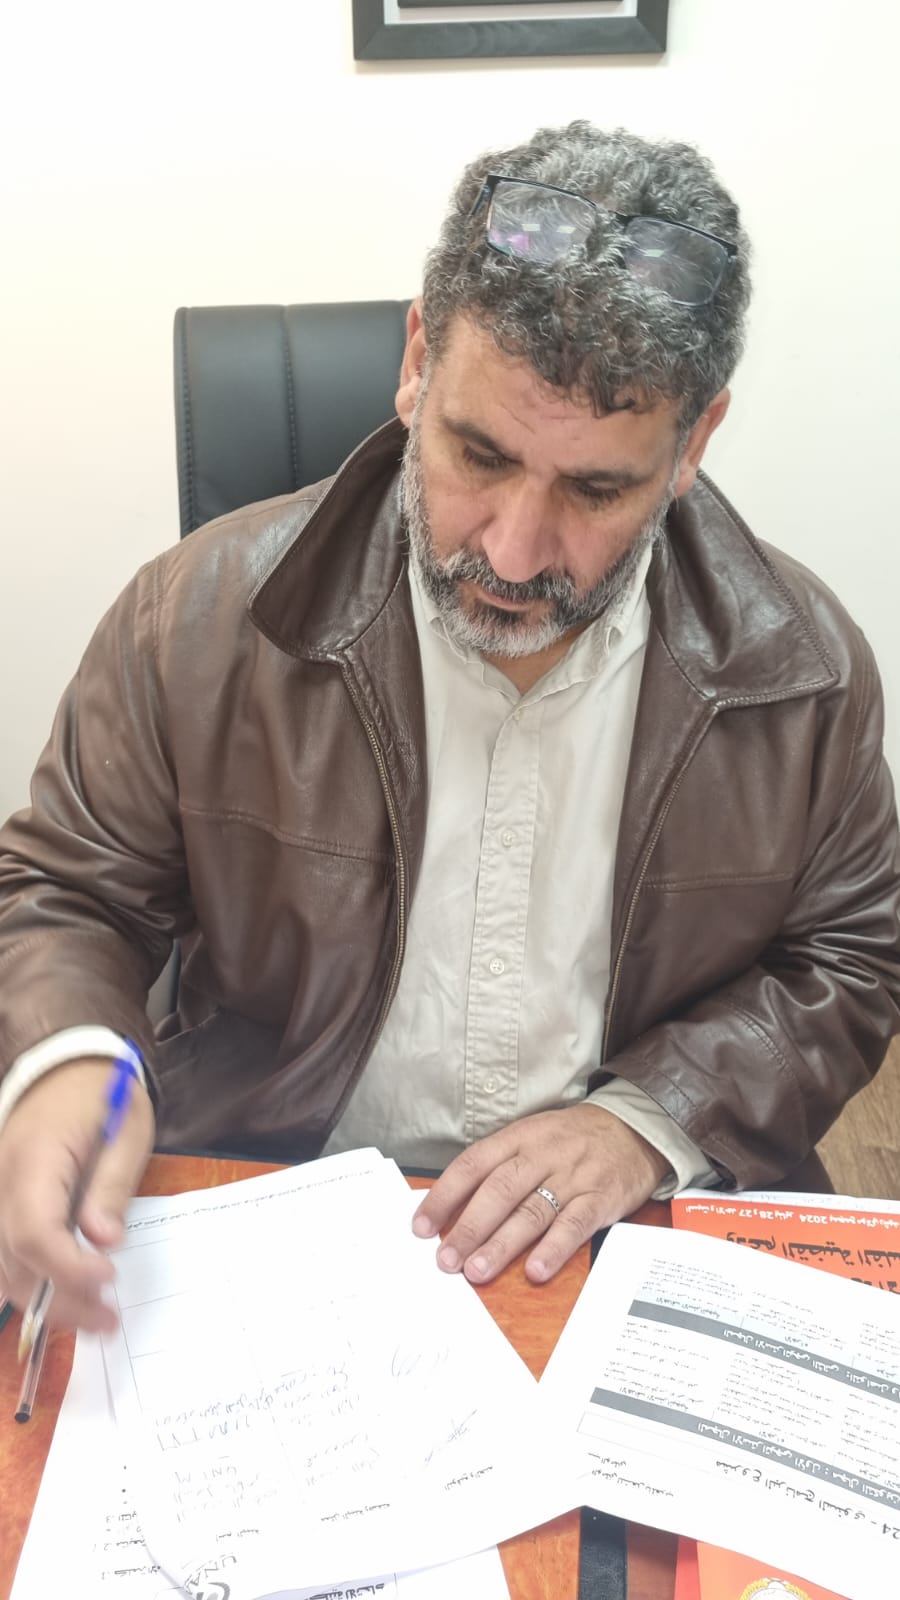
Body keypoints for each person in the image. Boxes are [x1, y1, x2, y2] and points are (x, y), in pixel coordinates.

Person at [0, 121, 898, 1336]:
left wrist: (649, 1120)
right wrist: (71, 1062)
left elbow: (850, 954)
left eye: (595, 489)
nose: (514, 554)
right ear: (418, 361)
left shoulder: (801, 669)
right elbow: (66, 892)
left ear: (693, 443)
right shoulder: (195, 616)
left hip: (624, 1226)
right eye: (478, 455)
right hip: (275, 1189)